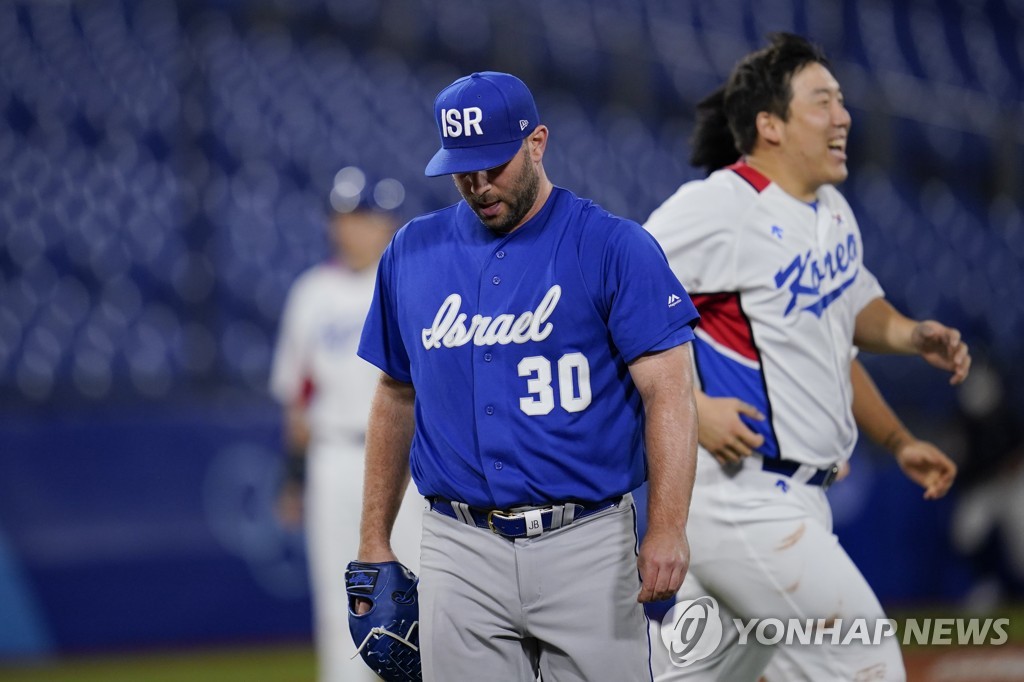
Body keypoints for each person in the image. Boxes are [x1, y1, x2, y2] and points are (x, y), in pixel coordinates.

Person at [354, 71, 701, 682]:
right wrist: (374, 538)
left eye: (495, 165)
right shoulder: (411, 252)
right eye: (464, 170)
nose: (479, 185)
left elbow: (668, 392)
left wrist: (668, 527)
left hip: (588, 542)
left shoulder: (613, 246)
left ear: (537, 142)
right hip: (458, 545)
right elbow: (395, 394)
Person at [643, 33, 969, 681]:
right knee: (867, 665)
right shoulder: (718, 207)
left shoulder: (829, 211)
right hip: (743, 501)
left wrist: (905, 366)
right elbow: (610, 303)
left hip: (795, 502)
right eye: (822, 101)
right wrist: (690, 405)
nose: (842, 115)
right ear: (770, 125)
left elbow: (840, 330)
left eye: (841, 100)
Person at [269, 171, 423, 682]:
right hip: (335, 456)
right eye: (342, 217)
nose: (350, 229)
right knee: (342, 600)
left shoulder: (415, 282)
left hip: (412, 459)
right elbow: (299, 397)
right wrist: (293, 475)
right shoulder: (311, 293)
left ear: (389, 222)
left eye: (363, 217)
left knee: (424, 593)